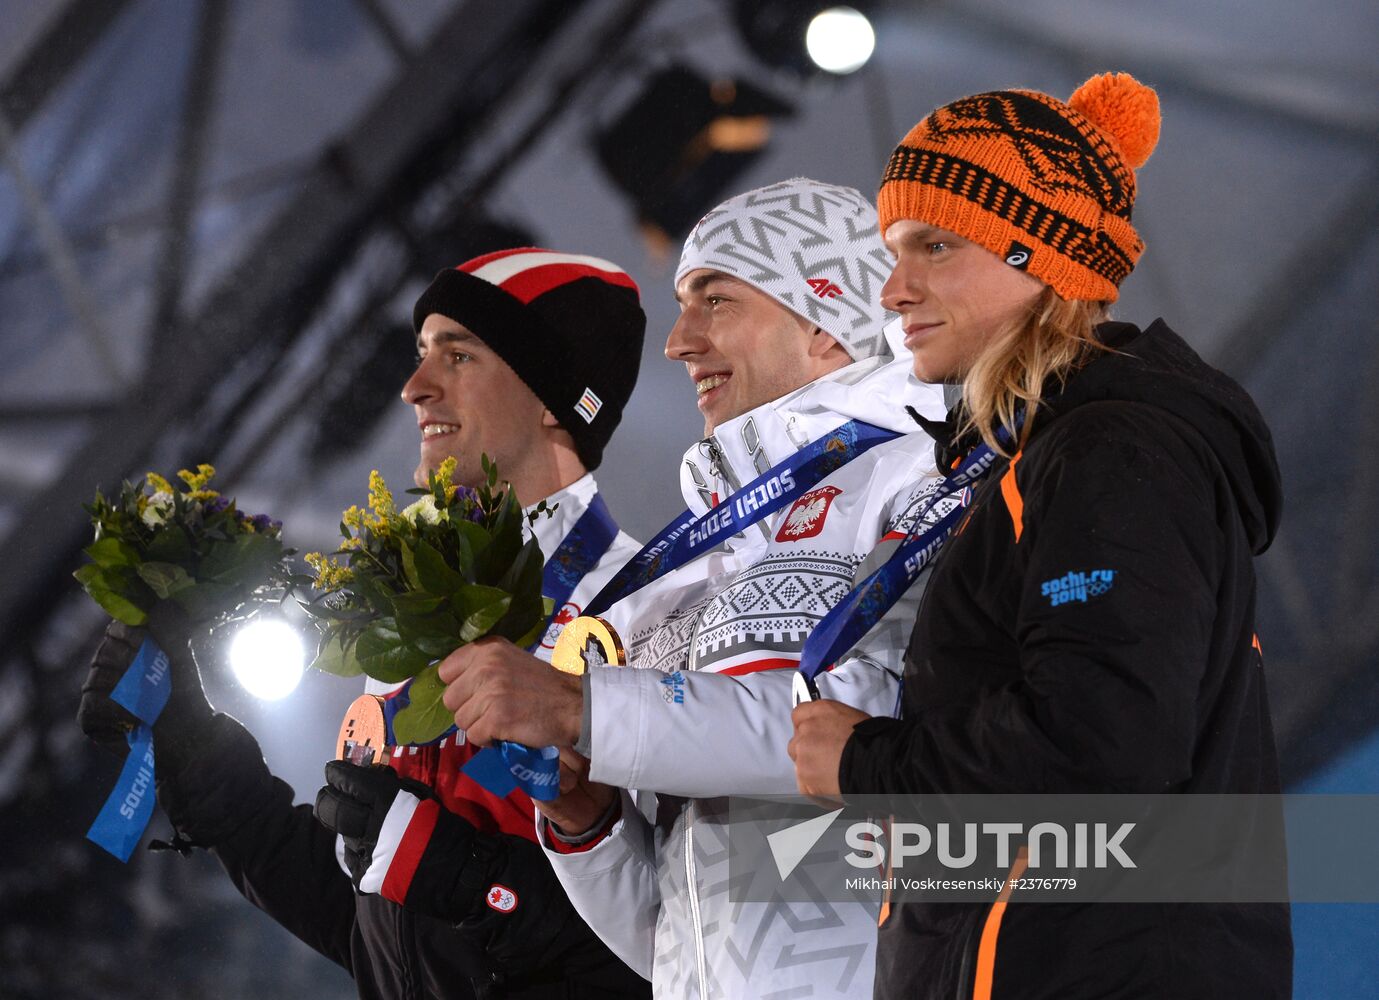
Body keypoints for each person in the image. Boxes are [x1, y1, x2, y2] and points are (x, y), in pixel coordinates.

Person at [788, 73, 1293, 998]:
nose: (893, 289)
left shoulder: (1111, 450)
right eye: (894, 253)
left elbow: (1101, 744)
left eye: (932, 247)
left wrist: (869, 765)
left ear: (1038, 257)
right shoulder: (1046, 460)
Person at [78, 248, 653, 998]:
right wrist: (188, 740)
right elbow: (371, 930)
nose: (415, 388)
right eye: (421, 356)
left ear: (552, 399)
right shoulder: (404, 612)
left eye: (458, 356)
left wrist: (470, 880)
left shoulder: (644, 608)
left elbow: (696, 935)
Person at [437, 178, 953, 998]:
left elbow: (846, 739)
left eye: (714, 300)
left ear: (820, 317)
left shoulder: (916, 480)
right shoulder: (687, 568)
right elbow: (662, 939)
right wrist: (587, 821)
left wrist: (583, 709)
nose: (677, 343)